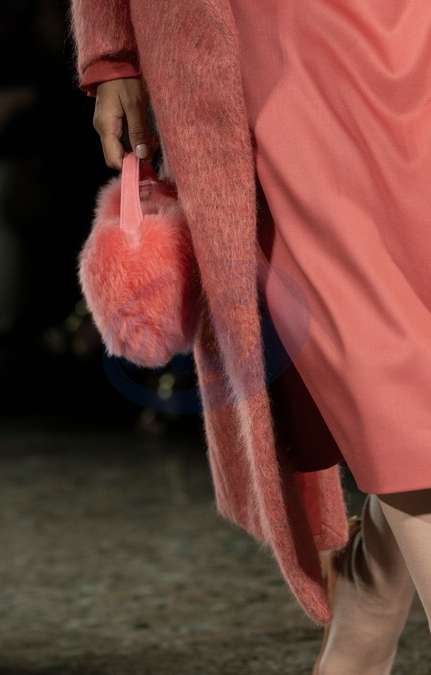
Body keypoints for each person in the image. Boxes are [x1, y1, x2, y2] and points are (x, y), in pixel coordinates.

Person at [69, 2, 431, 672]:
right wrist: (111, 50)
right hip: (270, 36)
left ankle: (360, 627)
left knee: (414, 337)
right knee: (376, 348)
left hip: (409, 29)